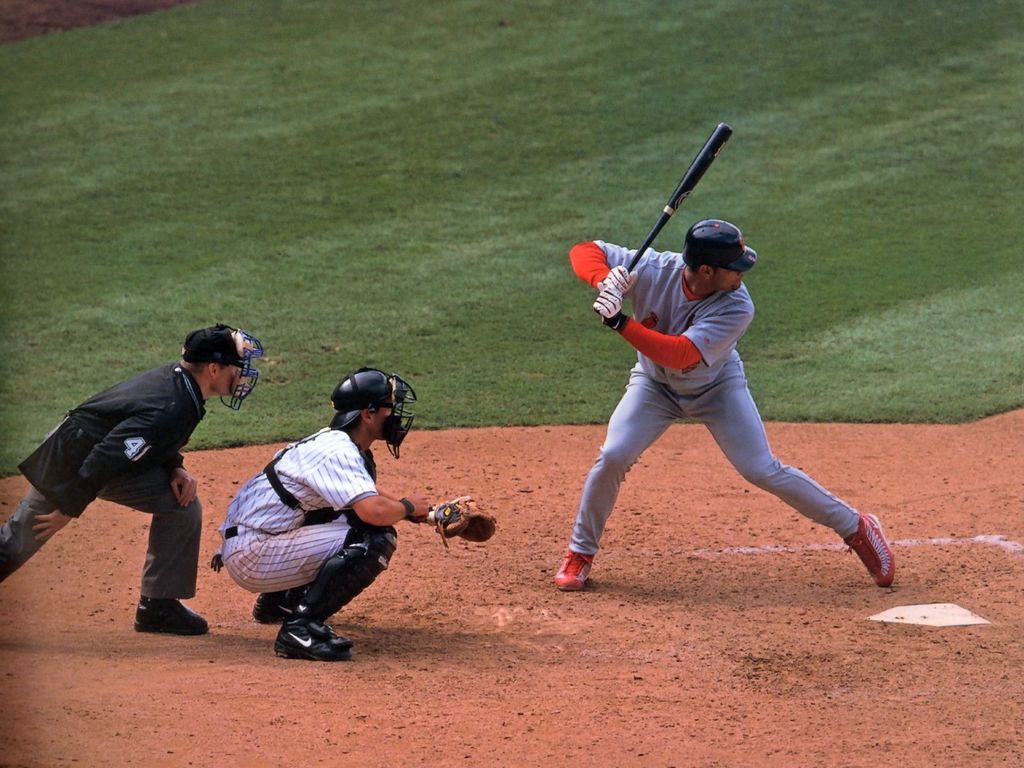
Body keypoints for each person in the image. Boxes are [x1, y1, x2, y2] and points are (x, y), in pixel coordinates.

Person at [554, 219, 895, 591]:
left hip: (716, 388)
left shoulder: (737, 305)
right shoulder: (654, 268)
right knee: (613, 454)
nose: (741, 274)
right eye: (734, 268)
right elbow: (585, 250)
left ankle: (856, 527)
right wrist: (604, 279)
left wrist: (620, 321)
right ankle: (580, 553)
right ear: (706, 270)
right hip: (654, 386)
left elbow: (680, 355)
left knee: (760, 468)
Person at [0, 323, 263, 635]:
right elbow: (107, 455)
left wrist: (175, 467)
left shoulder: (183, 388)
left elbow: (155, 437)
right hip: (73, 457)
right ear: (214, 369)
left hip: (102, 456)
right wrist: (67, 509)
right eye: (236, 366)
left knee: (181, 505)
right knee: (21, 536)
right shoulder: (174, 403)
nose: (241, 374)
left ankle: (158, 607)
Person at [213, 366, 433, 662]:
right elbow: (373, 511)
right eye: (390, 407)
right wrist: (407, 507)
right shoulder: (338, 452)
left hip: (255, 539)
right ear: (367, 414)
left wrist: (426, 513)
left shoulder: (335, 442)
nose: (395, 415)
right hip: (254, 553)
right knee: (373, 538)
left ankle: (281, 602)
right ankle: (299, 628)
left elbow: (365, 493)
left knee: (347, 516)